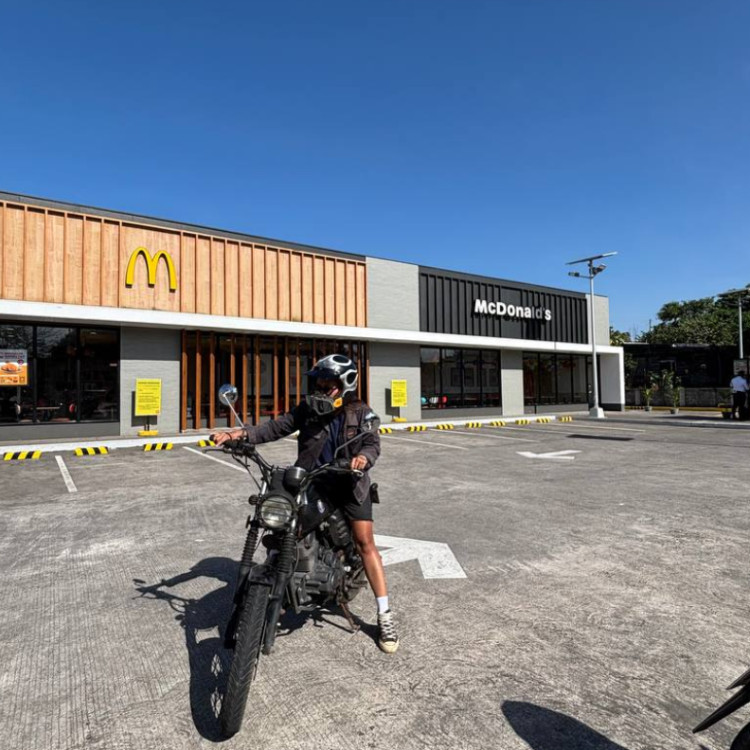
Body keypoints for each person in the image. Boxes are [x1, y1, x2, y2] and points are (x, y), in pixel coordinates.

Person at [212, 353, 399, 654]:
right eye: (319, 383)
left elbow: (371, 443)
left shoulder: (361, 413)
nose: (321, 388)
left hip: (350, 485)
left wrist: (363, 459)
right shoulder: (307, 409)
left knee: (365, 542)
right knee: (287, 528)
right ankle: (280, 589)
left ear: (345, 385)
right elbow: (276, 427)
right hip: (314, 482)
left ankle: (385, 614)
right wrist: (240, 433)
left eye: (328, 384)